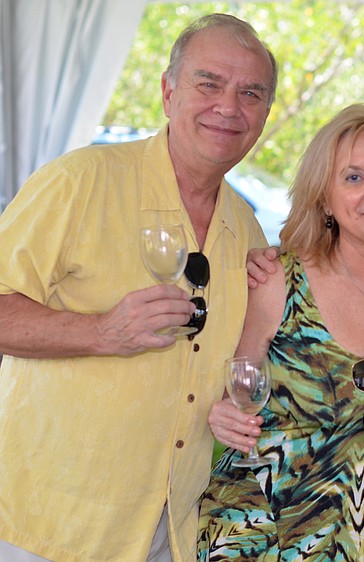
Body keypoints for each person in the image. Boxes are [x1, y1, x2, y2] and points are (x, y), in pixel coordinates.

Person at [0, 13, 277, 562]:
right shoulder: (79, 181)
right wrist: (101, 331)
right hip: (48, 524)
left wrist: (227, 409)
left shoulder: (246, 230)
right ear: (168, 90)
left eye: (251, 92)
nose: (229, 106)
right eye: (209, 83)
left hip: (166, 529)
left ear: (265, 114)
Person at [197, 103, 364, 561]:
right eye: (353, 178)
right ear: (324, 198)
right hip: (257, 538)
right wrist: (222, 412)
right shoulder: (280, 278)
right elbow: (233, 384)